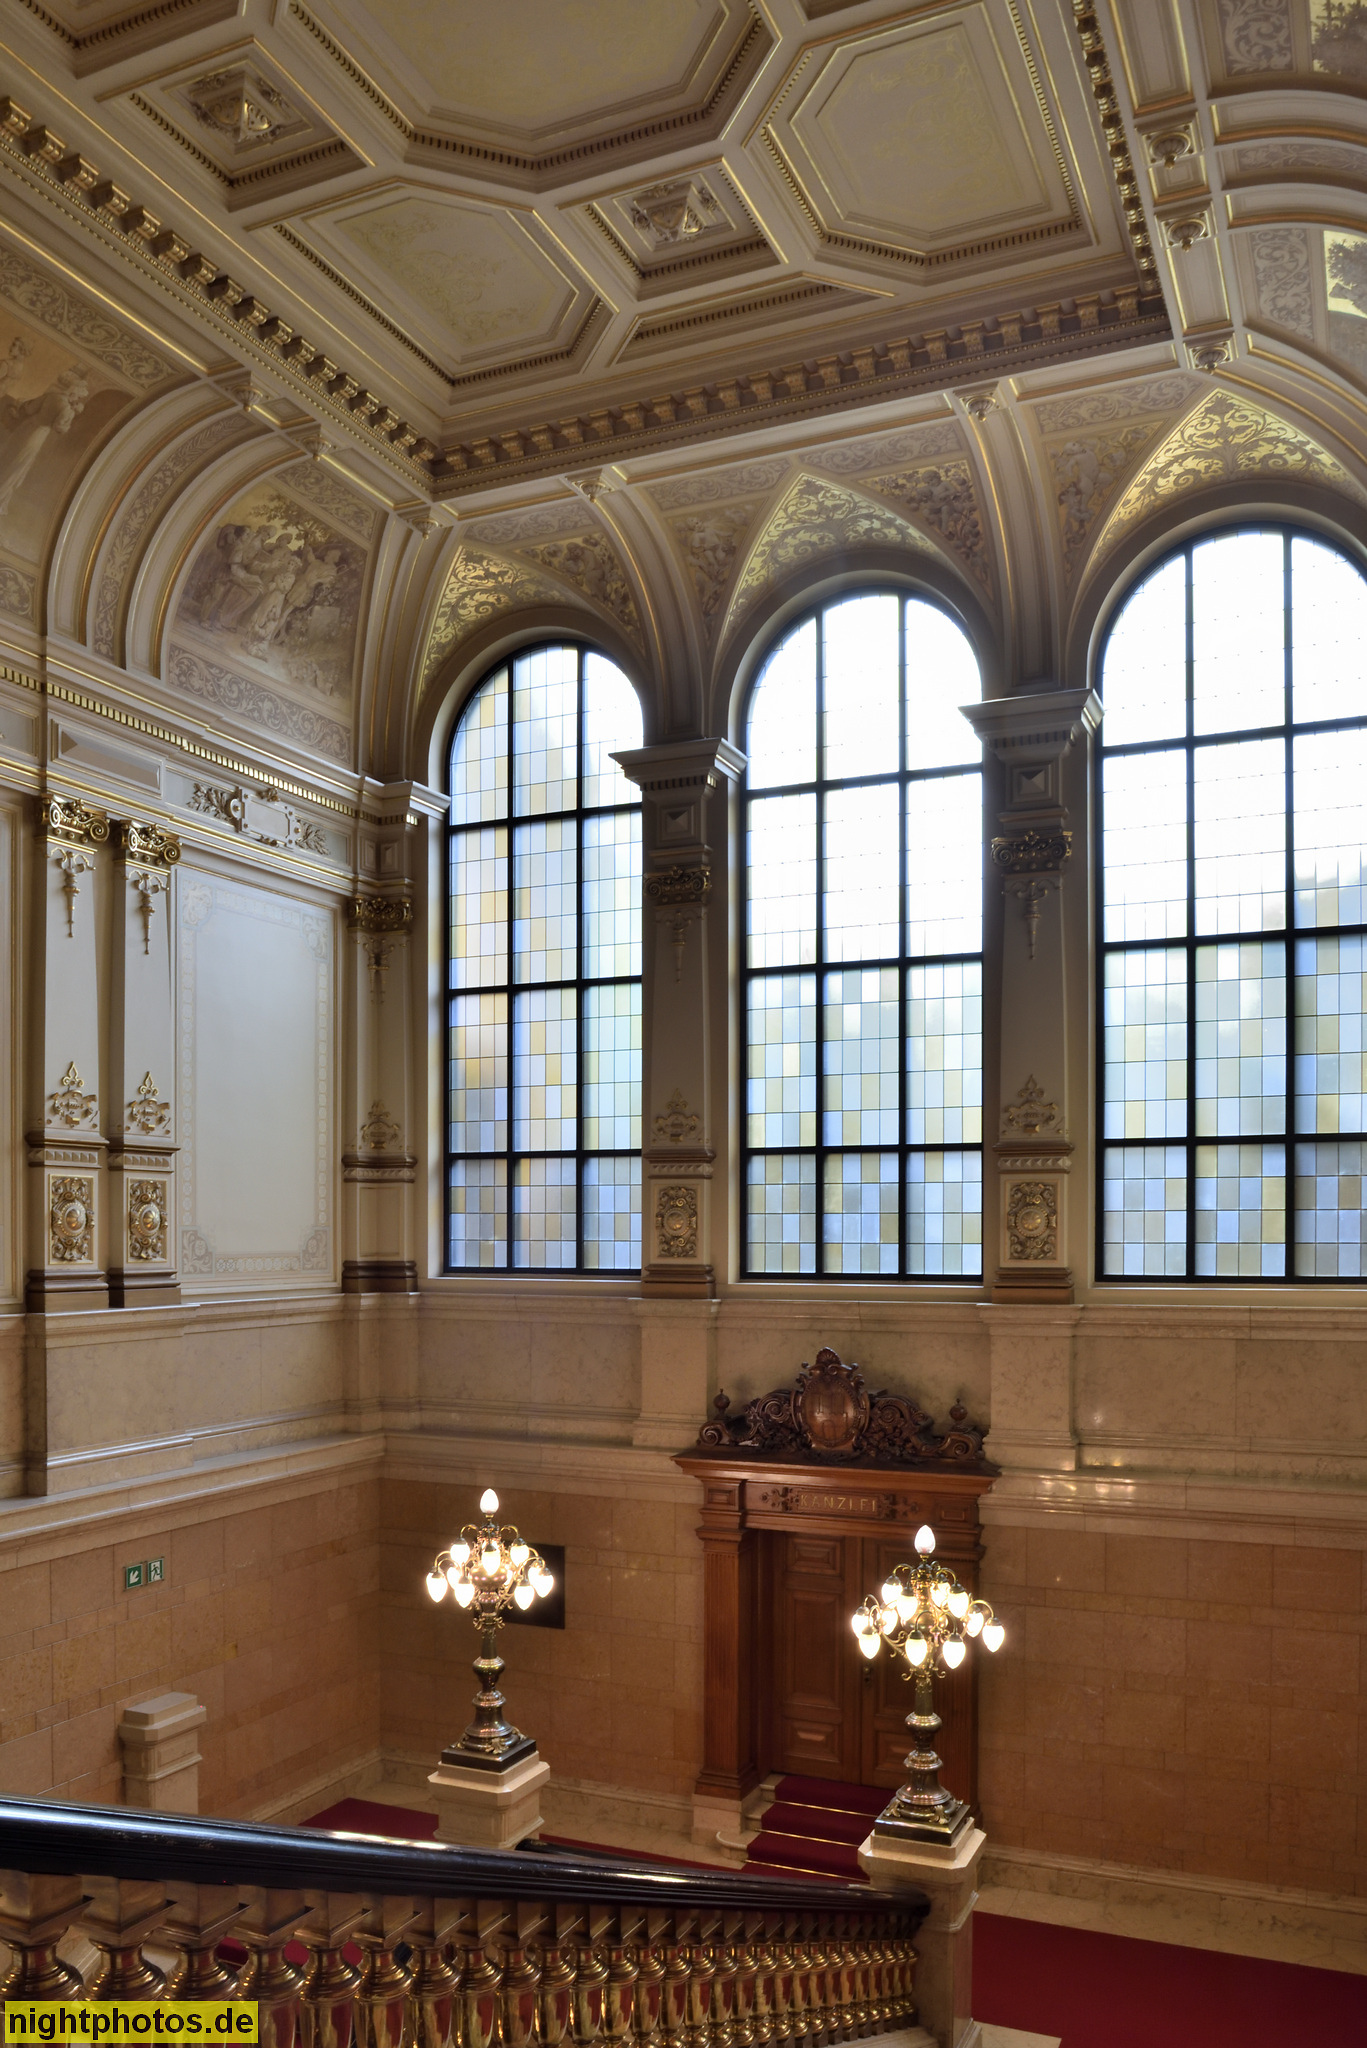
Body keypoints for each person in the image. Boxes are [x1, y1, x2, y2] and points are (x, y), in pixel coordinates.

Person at [0, 365, 88, 519]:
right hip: (37, 435)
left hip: (25, 428)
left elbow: (29, 409)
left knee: (8, 457)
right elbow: (59, 428)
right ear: (73, 393)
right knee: (17, 465)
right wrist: (71, 415)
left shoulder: (51, 396)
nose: (77, 398)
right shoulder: (66, 409)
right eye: (77, 396)